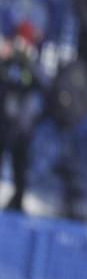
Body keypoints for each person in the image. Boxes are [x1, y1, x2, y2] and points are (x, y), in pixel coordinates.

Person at [0, 24, 44, 212]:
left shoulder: (33, 65)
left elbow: (44, 84)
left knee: (20, 165)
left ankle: (18, 200)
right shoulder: (7, 62)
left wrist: (28, 62)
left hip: (22, 126)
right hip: (3, 122)